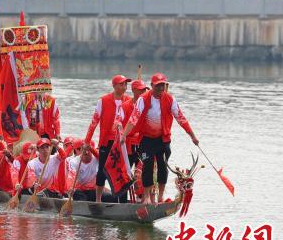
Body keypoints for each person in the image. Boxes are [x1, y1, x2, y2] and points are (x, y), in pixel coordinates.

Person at [121, 73, 199, 204]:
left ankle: (160, 196)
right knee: (148, 166)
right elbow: (133, 119)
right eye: (158, 86)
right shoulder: (143, 99)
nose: (161, 88)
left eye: (163, 85)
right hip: (147, 139)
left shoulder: (170, 99)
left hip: (163, 139)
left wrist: (193, 136)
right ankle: (146, 197)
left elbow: (181, 118)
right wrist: (123, 135)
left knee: (163, 167)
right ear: (152, 86)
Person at [84, 74, 131, 203]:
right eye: (121, 84)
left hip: (121, 142)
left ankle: (123, 203)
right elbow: (94, 122)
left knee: (122, 172)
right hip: (106, 141)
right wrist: (87, 141)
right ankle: (98, 200)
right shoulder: (103, 100)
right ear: (114, 86)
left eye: (125, 84)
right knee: (102, 171)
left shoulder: (129, 100)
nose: (124, 86)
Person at [121, 79, 150, 166]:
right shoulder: (125, 106)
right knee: (126, 171)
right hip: (129, 145)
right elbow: (118, 124)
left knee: (144, 169)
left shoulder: (149, 106)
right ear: (133, 90)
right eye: (140, 90)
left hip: (144, 142)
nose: (143, 92)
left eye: (144, 90)